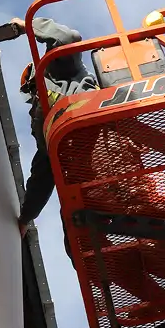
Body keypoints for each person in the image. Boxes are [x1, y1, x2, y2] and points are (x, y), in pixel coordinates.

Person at [15, 17, 97, 236]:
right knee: (76, 227)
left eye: (30, 88)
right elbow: (42, 175)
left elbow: (69, 38)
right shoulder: (48, 127)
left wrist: (27, 26)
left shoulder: (62, 70)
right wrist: (26, 217)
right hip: (87, 169)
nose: (33, 96)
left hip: (97, 126)